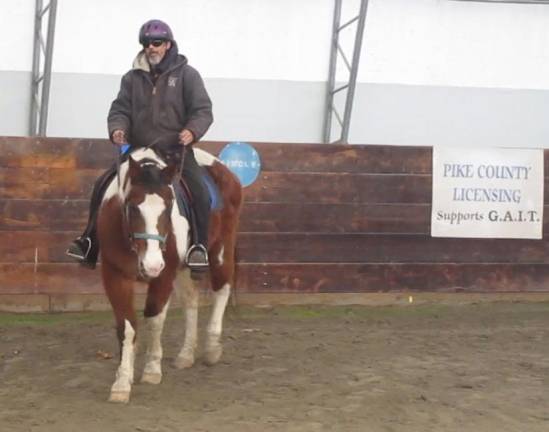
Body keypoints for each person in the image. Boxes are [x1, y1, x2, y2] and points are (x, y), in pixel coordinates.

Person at [66, 19, 213, 273]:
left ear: (168, 45)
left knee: (200, 192)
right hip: (139, 150)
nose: (151, 48)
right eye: (146, 44)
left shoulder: (188, 75)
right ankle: (89, 240)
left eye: (156, 43)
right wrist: (118, 128)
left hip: (175, 151)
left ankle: (198, 247)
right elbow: (120, 109)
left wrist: (192, 130)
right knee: (102, 184)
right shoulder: (131, 78)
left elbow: (202, 110)